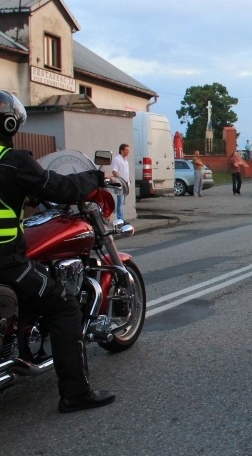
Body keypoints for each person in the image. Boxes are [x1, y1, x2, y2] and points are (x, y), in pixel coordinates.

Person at [0, 90, 115, 413]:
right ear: (9, 124)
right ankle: (76, 393)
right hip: (6, 262)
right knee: (64, 307)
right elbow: (61, 188)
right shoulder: (14, 162)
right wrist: (94, 177)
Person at [111, 143, 130, 222]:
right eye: (126, 150)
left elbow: (126, 172)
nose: (128, 152)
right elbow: (114, 171)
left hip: (126, 184)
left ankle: (121, 218)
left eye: (128, 150)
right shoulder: (117, 159)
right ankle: (120, 219)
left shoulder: (126, 161)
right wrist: (120, 180)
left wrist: (128, 181)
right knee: (120, 201)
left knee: (123, 202)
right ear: (121, 150)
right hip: (121, 184)